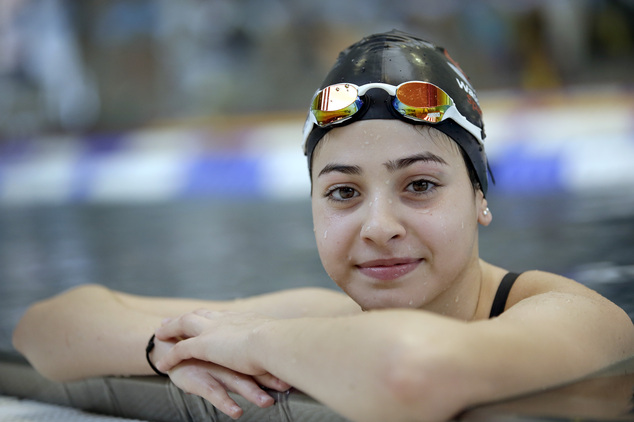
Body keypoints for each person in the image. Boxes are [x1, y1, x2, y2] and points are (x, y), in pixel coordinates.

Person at [12, 30, 634, 422]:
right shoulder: (328, 318)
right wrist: (169, 352)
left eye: (418, 185)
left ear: (478, 197)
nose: (379, 227)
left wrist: (251, 342)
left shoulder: (578, 315)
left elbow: (412, 374)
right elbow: (47, 328)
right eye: (343, 192)